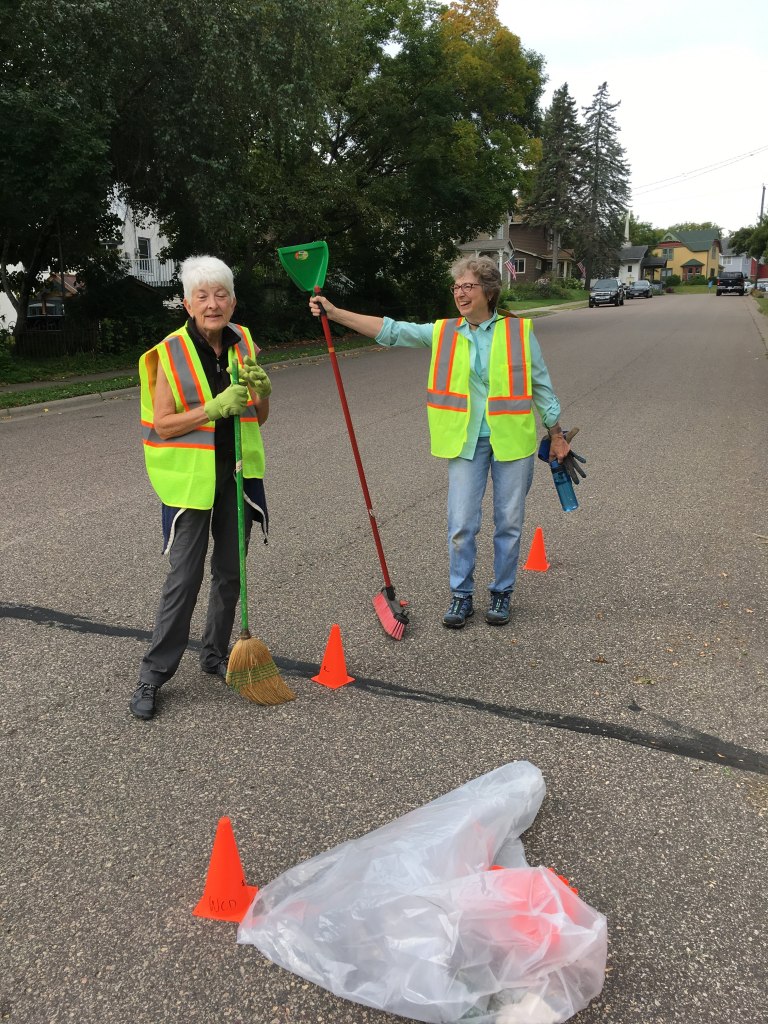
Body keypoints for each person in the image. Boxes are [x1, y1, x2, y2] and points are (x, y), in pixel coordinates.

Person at [309, 255, 573, 629]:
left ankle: (502, 591)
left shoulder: (518, 333)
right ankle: (461, 595)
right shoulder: (443, 332)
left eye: (469, 286)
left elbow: (541, 387)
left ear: (489, 291)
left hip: (512, 441)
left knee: (509, 522)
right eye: (457, 287)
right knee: (461, 523)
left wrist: (557, 434)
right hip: (465, 441)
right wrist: (335, 313)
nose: (460, 294)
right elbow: (392, 330)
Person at [130, 255, 273, 720]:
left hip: (236, 474)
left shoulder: (243, 341)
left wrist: (261, 392)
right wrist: (213, 408)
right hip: (191, 481)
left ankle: (214, 655)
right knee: (185, 578)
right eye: (203, 296)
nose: (213, 304)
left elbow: (260, 415)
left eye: (222, 294)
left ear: (233, 299)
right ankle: (153, 674)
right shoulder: (168, 352)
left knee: (231, 572)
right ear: (188, 303)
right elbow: (164, 425)